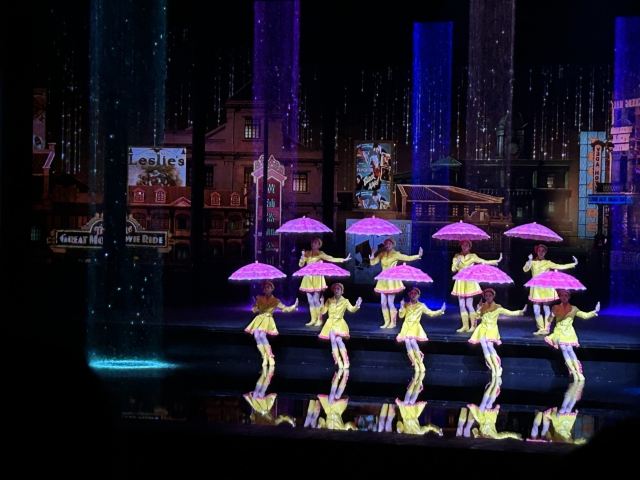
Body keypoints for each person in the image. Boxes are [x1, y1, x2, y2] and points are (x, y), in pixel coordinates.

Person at [468, 288, 527, 377]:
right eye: (486, 296)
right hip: (482, 329)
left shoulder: (497, 307)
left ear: (493, 296)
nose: (488, 297)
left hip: (492, 329)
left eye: (490, 295)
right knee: (484, 346)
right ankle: (493, 368)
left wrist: (521, 312)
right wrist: (478, 310)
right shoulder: (482, 306)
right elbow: (477, 317)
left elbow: (509, 313)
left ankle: (497, 367)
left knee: (490, 346)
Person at [544, 289, 599, 381]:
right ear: (559, 297)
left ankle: (578, 372)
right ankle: (573, 371)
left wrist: (594, 311)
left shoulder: (573, 308)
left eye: (566, 295)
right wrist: (551, 315)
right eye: (562, 295)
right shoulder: (555, 307)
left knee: (569, 349)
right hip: (559, 332)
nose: (564, 297)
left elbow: (584, 315)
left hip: (569, 332)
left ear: (569, 297)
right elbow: (549, 320)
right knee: (564, 348)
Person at [523, 244, 578, 335]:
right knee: (536, 310)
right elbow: (525, 269)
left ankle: (547, 328)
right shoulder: (533, 262)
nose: (541, 252)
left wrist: (573, 264)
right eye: (539, 250)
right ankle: (541, 328)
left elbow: (560, 266)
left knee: (546, 308)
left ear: (545, 252)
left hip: (545, 288)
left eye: (543, 251)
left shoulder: (548, 262)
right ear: (537, 251)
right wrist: (529, 260)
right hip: (536, 288)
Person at [369, 238, 423, 329]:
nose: (387, 245)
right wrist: (372, 254)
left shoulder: (396, 254)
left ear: (393, 245)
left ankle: (393, 322)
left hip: (392, 280)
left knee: (390, 302)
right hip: (383, 280)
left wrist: (418, 255)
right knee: (383, 303)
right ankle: (386, 322)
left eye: (389, 243)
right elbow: (373, 263)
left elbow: (407, 257)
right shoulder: (382, 254)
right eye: (386, 244)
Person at [451, 240, 502, 333]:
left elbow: (483, 261)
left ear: (469, 246)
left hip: (469, 281)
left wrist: (495, 261)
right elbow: (453, 269)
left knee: (469, 304)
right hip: (460, 281)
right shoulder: (456, 256)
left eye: (466, 245)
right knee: (461, 305)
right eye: (463, 245)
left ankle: (473, 326)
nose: (464, 246)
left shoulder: (473, 256)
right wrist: (457, 262)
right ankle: (465, 326)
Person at [299, 237, 351, 327]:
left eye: (316, 243)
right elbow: (301, 265)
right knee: (310, 301)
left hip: (317, 278)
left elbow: (331, 259)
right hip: (307, 278)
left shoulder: (320, 254)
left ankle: (319, 319)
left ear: (319, 245)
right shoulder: (307, 253)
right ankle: (313, 319)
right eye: (312, 242)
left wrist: (343, 259)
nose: (313, 244)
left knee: (316, 300)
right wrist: (302, 257)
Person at [244, 281, 298, 366]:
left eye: (268, 287)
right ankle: (264, 357)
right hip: (258, 319)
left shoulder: (275, 300)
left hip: (267, 319)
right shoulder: (259, 298)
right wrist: (255, 307)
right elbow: (254, 309)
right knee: (256, 336)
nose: (266, 289)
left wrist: (293, 307)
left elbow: (284, 309)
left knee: (262, 335)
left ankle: (270, 357)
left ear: (272, 289)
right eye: (265, 288)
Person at [396, 287, 446, 371]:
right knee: (407, 341)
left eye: (415, 294)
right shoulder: (406, 305)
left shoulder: (421, 305)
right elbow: (401, 316)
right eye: (411, 293)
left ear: (418, 295)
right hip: (406, 326)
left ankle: (420, 363)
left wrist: (440, 310)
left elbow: (431, 313)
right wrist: (401, 306)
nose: (413, 295)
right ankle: (415, 363)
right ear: (409, 295)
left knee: (412, 341)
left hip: (415, 326)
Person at [318, 283, 362, 369]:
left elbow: (352, 309)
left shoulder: (345, 301)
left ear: (342, 291)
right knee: (333, 340)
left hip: (339, 324)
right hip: (330, 324)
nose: (336, 290)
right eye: (335, 289)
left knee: (338, 340)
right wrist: (322, 302)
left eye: (338, 289)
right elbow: (323, 312)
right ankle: (338, 361)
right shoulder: (329, 300)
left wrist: (357, 305)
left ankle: (345, 360)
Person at [395, 370, 442, 436]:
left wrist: (399, 429)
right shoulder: (418, 432)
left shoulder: (410, 432)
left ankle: (417, 379)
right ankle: (416, 379)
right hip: (410, 412)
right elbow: (429, 427)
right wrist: (438, 430)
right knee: (409, 401)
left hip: (407, 412)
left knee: (408, 401)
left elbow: (399, 424)